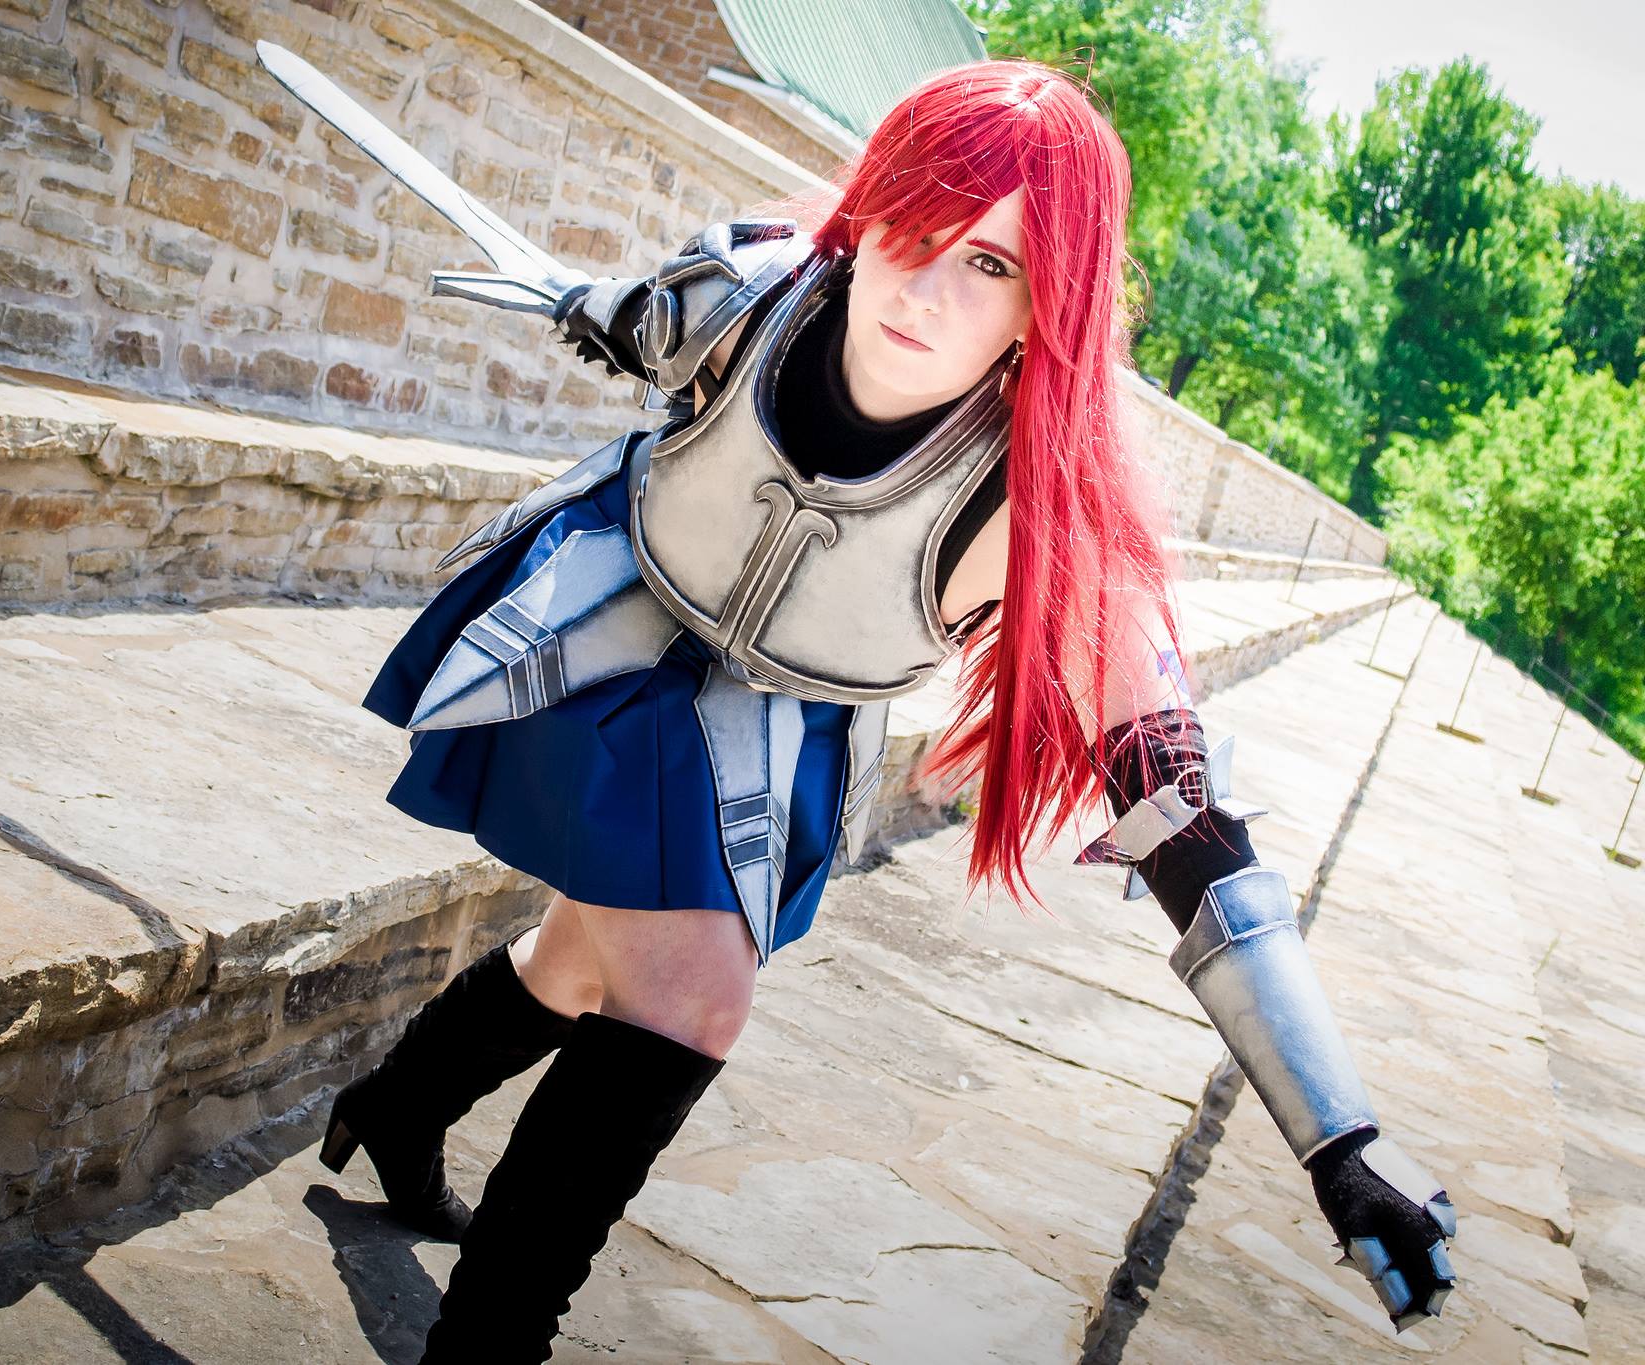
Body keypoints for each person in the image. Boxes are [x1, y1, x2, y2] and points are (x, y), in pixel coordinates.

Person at [315, 59, 1458, 1360]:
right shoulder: (750, 292)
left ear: (1045, 305)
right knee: (685, 997)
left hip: (772, 727)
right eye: (912, 225)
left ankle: (397, 1105)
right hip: (608, 638)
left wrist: (1339, 1138)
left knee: (585, 964)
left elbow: (1185, 820)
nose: (923, 287)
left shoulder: (1043, 512)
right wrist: (603, 312)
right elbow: (644, 318)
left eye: (991, 263)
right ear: (865, 214)